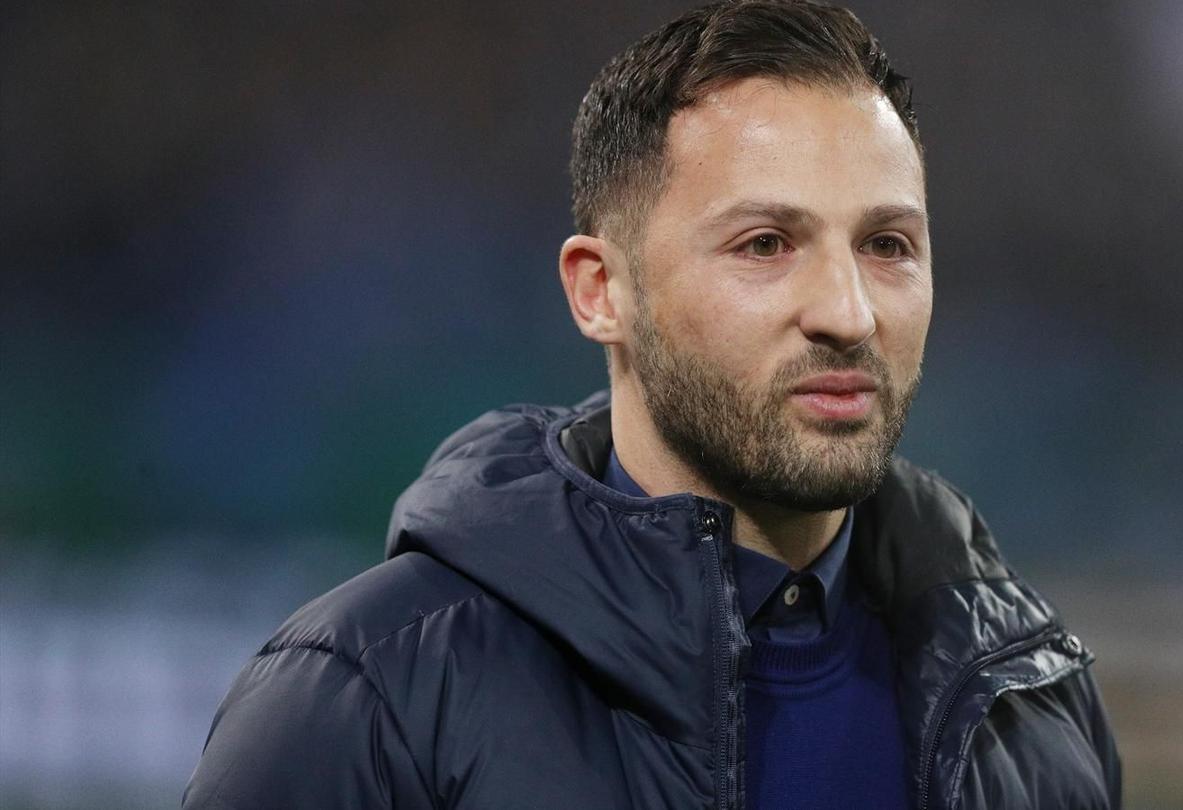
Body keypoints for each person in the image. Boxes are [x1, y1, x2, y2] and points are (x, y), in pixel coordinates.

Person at [183, 2, 1122, 808]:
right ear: (602, 291)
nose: (848, 313)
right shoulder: (366, 699)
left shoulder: (1029, 701)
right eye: (765, 244)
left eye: (887, 245)